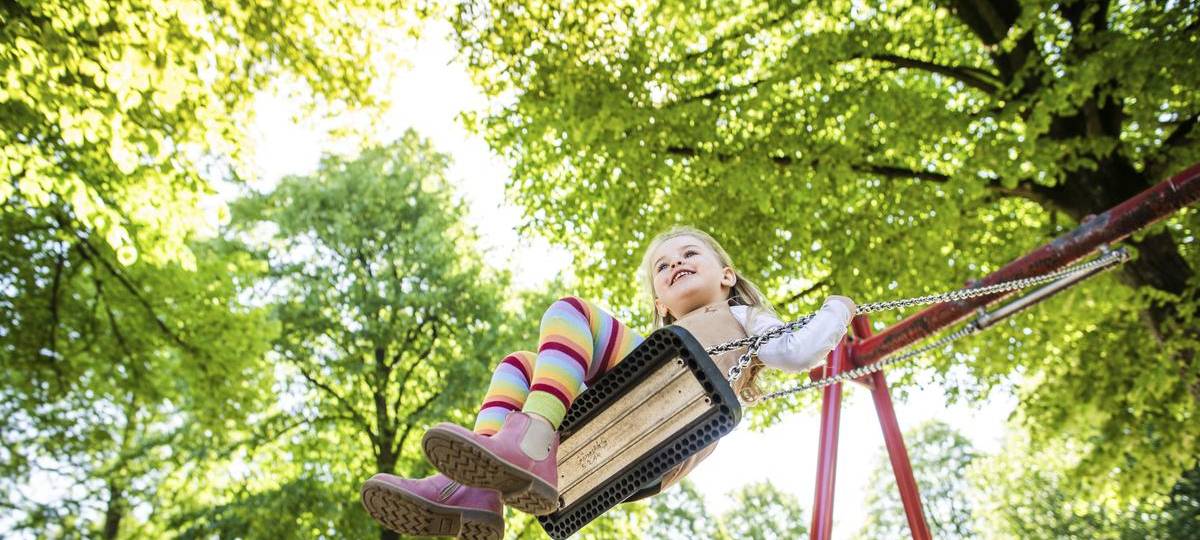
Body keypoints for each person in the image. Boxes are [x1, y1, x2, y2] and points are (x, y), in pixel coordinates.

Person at [360, 226, 855, 539]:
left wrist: (840, 308)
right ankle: (474, 492)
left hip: (673, 415)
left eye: (690, 254)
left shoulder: (743, 317)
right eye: (663, 267)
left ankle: (530, 442)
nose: (675, 263)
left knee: (573, 314)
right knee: (519, 363)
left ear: (726, 275)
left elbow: (796, 350)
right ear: (660, 304)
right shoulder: (658, 342)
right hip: (624, 413)